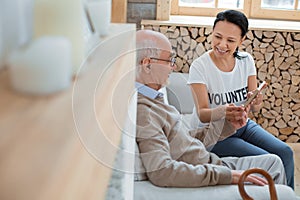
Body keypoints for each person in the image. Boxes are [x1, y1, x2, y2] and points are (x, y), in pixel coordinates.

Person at [135, 29, 287, 188]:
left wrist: (227, 126)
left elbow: (184, 141)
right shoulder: (144, 111)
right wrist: (229, 176)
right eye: (169, 60)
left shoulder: (153, 99)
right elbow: (162, 172)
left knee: (275, 160)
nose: (173, 67)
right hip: (210, 169)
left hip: (211, 163)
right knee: (273, 165)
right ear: (147, 64)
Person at [187, 9, 294, 189]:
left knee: (285, 152)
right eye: (217, 37)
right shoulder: (200, 66)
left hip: (242, 125)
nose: (222, 44)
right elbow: (203, 114)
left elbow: (255, 108)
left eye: (230, 40)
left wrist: (256, 100)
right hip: (213, 134)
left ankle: (286, 195)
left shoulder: (246, 61)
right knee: (271, 160)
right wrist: (224, 111)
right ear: (211, 33)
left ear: (242, 40)